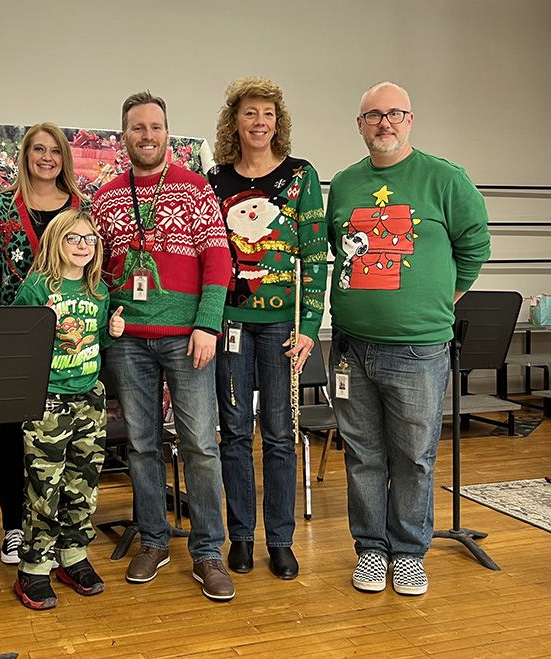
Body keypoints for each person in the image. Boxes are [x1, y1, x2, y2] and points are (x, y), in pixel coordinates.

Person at [326, 81, 491, 596]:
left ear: (411, 120)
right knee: (363, 454)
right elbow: (340, 250)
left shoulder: (445, 178)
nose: (384, 123)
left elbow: (475, 246)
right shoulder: (346, 184)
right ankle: (372, 551)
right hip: (351, 346)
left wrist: (443, 299)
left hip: (419, 349)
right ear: (359, 125)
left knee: (415, 457)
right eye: (373, 115)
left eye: (394, 114)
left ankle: (409, 552)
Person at [91, 91, 235, 601]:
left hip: (187, 339)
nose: (147, 136)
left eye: (156, 127)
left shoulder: (195, 189)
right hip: (128, 340)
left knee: (200, 445)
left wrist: (208, 325)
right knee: (142, 445)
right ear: (123, 135)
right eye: (137, 128)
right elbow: (98, 270)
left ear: (167, 133)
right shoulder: (106, 197)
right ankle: (153, 539)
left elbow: (219, 261)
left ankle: (208, 553)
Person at [207, 77, 327, 579]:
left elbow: (317, 257)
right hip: (231, 323)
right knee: (234, 434)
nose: (260, 123)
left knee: (280, 434)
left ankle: (280, 540)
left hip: (282, 327)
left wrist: (310, 326)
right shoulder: (214, 180)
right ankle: (241, 538)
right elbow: (208, 254)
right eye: (251, 113)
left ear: (279, 122)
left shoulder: (301, 176)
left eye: (269, 114)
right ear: (234, 121)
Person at [0, 123, 87, 565]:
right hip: (16, 339)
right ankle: (15, 528)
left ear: (65, 158)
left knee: (65, 441)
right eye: (38, 149)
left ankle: (55, 527)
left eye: (55, 150)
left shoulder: (81, 208)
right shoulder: (0, 207)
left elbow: (97, 270)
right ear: (24, 155)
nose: (46, 158)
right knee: (15, 434)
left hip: (72, 341)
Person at [11, 209, 124, 610]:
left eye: (91, 239)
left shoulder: (98, 289)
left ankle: (72, 555)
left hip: (89, 398)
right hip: (48, 402)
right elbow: (20, 343)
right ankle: (34, 566)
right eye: (74, 238)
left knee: (84, 482)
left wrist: (109, 335)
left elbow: (95, 346)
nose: (83, 246)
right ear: (55, 242)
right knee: (45, 488)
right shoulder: (39, 287)